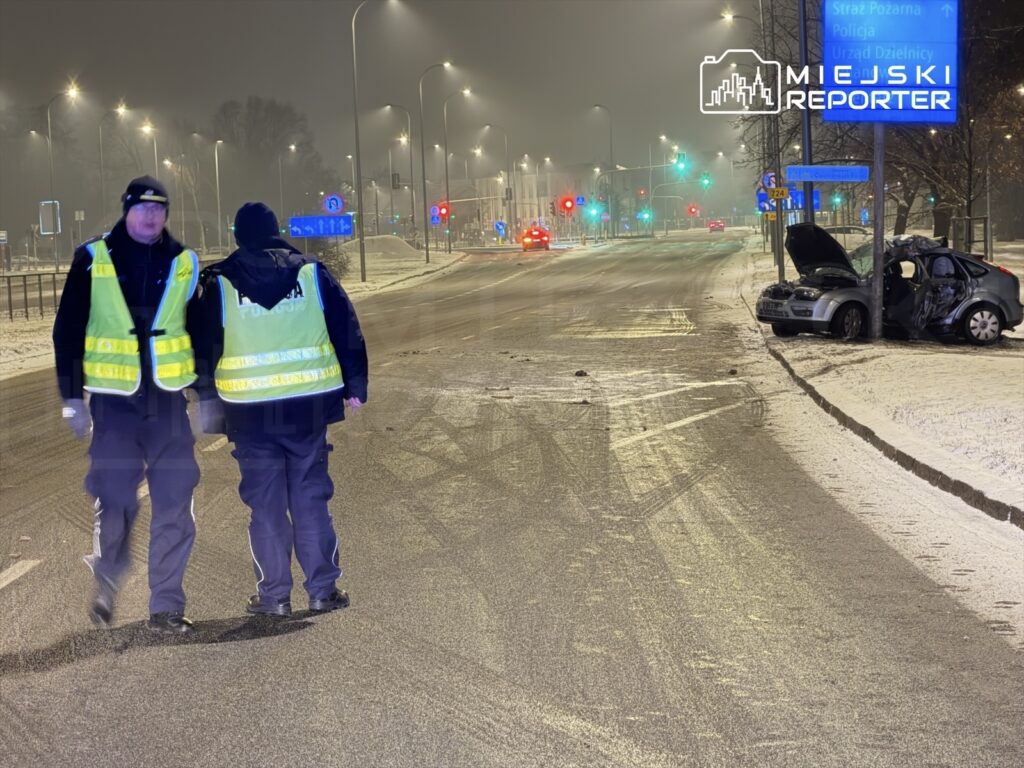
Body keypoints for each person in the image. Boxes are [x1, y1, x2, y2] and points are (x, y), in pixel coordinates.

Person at [188, 202, 367, 618]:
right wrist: (355, 385)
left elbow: (202, 346)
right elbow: (346, 329)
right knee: (309, 497)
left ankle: (275, 597)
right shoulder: (312, 273)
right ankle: (322, 590)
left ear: (238, 237)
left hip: (249, 414)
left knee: (265, 505)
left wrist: (202, 397)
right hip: (306, 410)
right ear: (275, 231)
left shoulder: (219, 283)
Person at [52, 175, 201, 635]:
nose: (151, 216)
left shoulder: (183, 262)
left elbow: (202, 333)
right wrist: (73, 398)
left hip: (168, 405)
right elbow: (68, 332)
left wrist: (208, 395)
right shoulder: (93, 258)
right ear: (126, 210)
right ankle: (108, 584)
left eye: (159, 208)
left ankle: (166, 607)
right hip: (114, 408)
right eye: (142, 208)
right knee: (115, 502)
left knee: (175, 505)